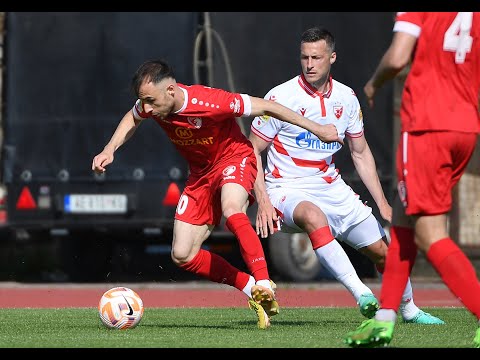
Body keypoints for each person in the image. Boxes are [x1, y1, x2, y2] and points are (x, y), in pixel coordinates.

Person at [91, 58, 342, 330]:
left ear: (171, 91)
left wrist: (317, 129)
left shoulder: (211, 101)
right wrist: (109, 149)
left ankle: (263, 282)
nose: (148, 108)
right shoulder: (149, 105)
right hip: (200, 175)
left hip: (234, 159)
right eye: (144, 102)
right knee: (182, 254)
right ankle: (250, 288)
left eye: (151, 101)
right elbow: (133, 116)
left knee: (233, 209)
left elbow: (268, 106)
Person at [249, 27, 444, 324]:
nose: (309, 64)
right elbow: (251, 150)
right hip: (285, 189)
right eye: (304, 57)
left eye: (316, 57)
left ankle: (410, 310)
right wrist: (262, 200)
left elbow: (361, 153)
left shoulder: (347, 98)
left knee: (384, 252)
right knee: (314, 216)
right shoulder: (280, 96)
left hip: (331, 187)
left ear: (332, 58)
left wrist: (382, 204)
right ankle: (362, 294)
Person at [344, 12, 480, 348]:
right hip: (464, 126)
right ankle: (385, 320)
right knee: (404, 226)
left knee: (429, 234)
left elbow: (398, 55)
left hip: (427, 126)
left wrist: (373, 83)